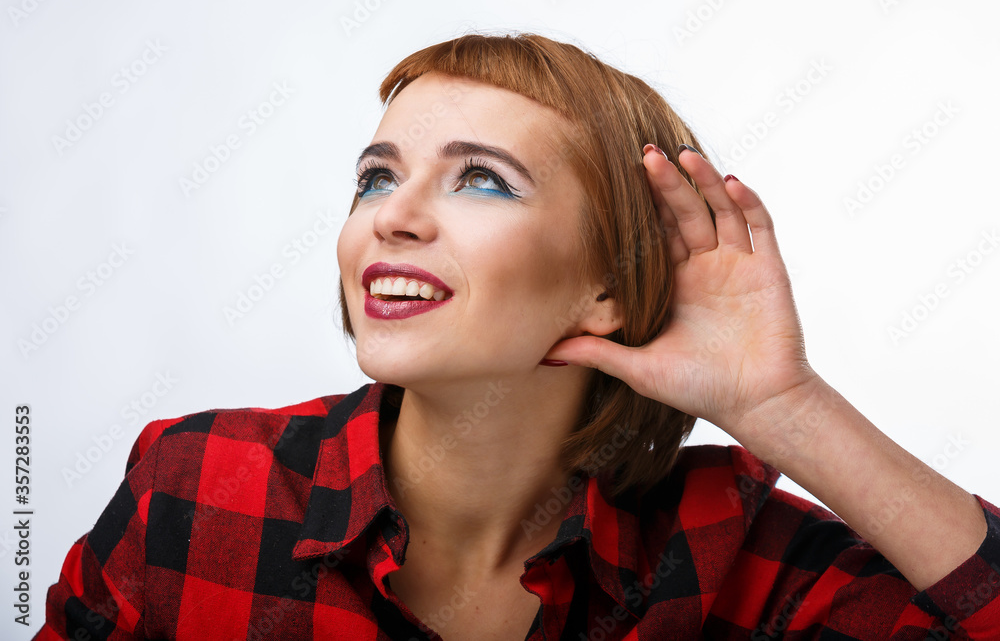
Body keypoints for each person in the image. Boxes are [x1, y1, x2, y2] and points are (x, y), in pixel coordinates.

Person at [36, 32, 999, 640]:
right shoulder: (198, 485)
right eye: (376, 175)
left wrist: (787, 407)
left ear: (608, 286)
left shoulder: (733, 560)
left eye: (481, 179)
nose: (393, 217)